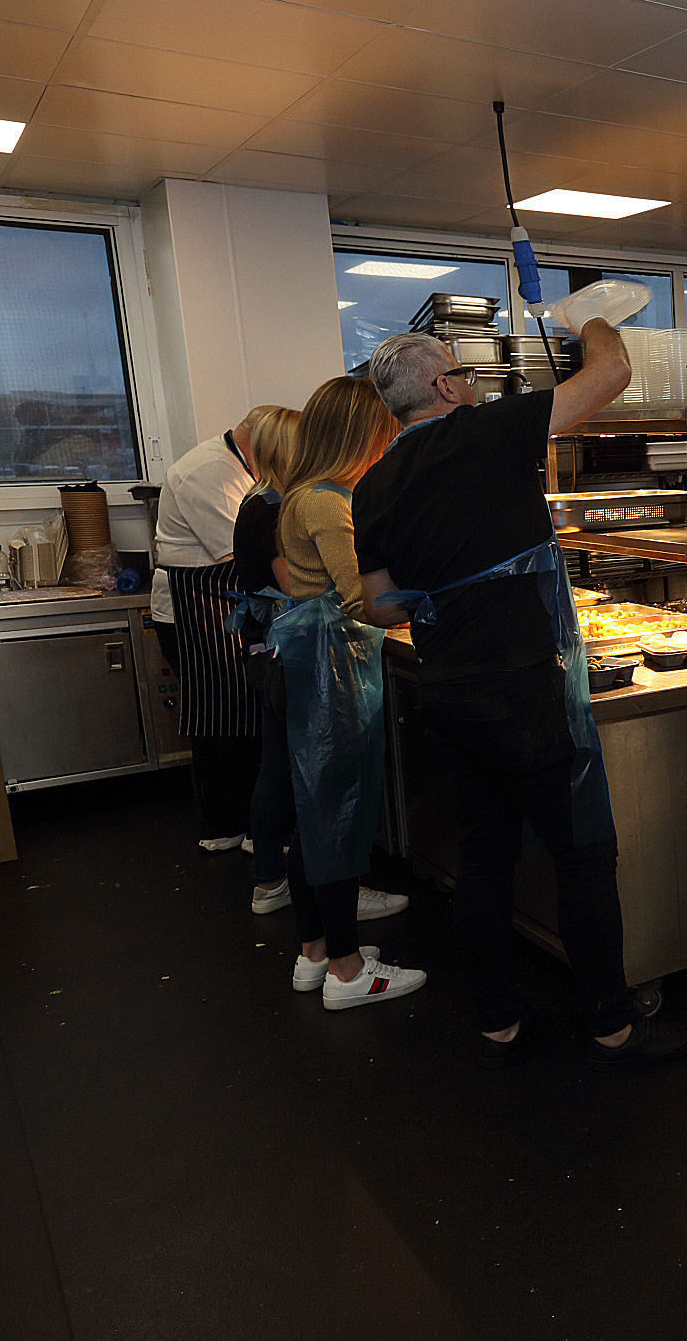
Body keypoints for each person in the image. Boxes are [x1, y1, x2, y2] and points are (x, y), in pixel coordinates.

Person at [355, 325, 687, 1070]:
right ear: (445, 386)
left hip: (448, 688)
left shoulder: (373, 485)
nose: (471, 383)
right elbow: (610, 374)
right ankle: (612, 1026)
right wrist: (592, 321)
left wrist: (448, 583)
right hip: (525, 689)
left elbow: (381, 606)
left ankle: (497, 1020)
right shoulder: (484, 429)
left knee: (484, 856)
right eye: (462, 372)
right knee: (582, 854)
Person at [272, 377, 422, 1008]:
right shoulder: (328, 503)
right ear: (361, 437)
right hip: (329, 669)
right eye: (384, 437)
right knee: (334, 811)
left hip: (307, 663)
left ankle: (314, 952)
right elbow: (360, 594)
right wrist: (427, 605)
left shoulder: (296, 494)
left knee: (311, 813)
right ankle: (347, 970)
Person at [152, 406, 267, 850]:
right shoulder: (209, 472)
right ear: (259, 441)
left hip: (221, 607)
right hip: (197, 610)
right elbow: (239, 554)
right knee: (224, 719)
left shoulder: (237, 462)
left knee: (233, 715)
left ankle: (239, 824)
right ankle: (229, 825)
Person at [228, 405, 302, 916]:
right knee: (296, 773)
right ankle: (326, 888)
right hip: (282, 649)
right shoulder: (275, 510)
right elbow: (294, 585)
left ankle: (270, 881)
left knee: (275, 768)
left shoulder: (255, 499)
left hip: (262, 646)